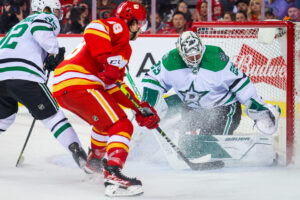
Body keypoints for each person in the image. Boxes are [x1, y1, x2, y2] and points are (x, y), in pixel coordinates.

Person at [52, 1, 159, 197]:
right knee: (122, 125)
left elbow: (114, 86)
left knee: (105, 123)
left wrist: (138, 107)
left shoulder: (123, 49)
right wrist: (105, 58)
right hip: (79, 82)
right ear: (132, 22)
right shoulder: (119, 29)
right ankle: (113, 173)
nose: (140, 30)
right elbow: (94, 27)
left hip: (68, 86)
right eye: (141, 24)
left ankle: (94, 162)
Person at [141, 31, 280, 139]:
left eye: (198, 54)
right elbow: (152, 79)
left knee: (206, 144)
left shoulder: (216, 58)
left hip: (224, 110)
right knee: (179, 137)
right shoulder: (170, 60)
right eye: (190, 56)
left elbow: (241, 84)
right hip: (191, 109)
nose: (195, 59)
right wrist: (148, 105)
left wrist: (256, 106)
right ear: (181, 53)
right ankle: (139, 144)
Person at [0, 0, 87, 170]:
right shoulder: (42, 17)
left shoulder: (19, 25)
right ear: (45, 9)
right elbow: (41, 29)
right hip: (23, 75)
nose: (57, 15)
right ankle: (79, 153)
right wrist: (53, 50)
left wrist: (45, 60)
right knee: (52, 116)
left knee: (4, 118)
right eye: (56, 11)